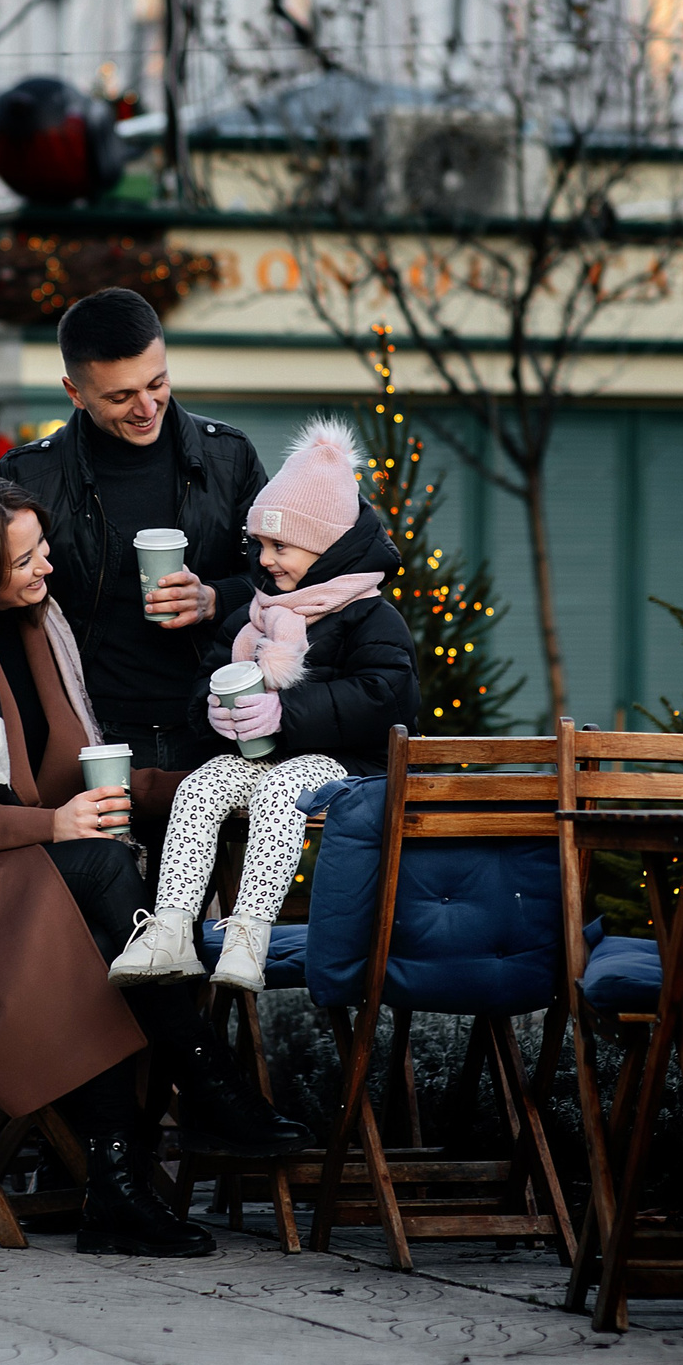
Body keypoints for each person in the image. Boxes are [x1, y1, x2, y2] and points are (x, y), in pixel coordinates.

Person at [0, 473, 309, 1258]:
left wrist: (209, 784)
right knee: (99, 877)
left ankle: (119, 1183)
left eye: (42, 549)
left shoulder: (38, 629)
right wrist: (52, 824)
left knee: (100, 928)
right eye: (25, 559)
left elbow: (81, 775)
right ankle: (207, 1087)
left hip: (17, 866)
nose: (46, 567)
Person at [109, 417, 420, 992]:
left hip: (352, 765)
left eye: (283, 546)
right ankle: (172, 929)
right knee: (201, 787)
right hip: (267, 757)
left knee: (283, 791)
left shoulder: (371, 616)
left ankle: (248, 935)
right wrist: (214, 712)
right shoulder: (253, 615)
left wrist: (286, 712)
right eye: (262, 545)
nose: (267, 559)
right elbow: (208, 680)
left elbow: (385, 695)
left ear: (328, 548)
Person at [0, 288, 267, 775]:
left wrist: (212, 599)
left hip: (214, 725)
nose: (146, 407)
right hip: (86, 733)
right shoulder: (27, 477)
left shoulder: (230, 456)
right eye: (119, 397)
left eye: (157, 383)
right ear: (74, 393)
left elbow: (284, 582)